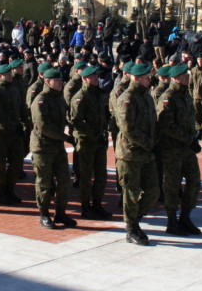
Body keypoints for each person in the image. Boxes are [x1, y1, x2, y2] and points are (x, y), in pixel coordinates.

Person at [156, 62, 202, 236]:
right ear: (176, 78)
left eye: (187, 75)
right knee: (172, 186)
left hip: (187, 149)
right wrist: (189, 139)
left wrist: (193, 136)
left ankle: (185, 216)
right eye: (184, 76)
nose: (188, 78)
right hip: (172, 150)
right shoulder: (169, 96)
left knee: (194, 181)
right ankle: (171, 220)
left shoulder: (186, 95)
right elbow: (166, 125)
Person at [115, 62, 159, 245]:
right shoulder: (128, 98)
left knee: (153, 191)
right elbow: (127, 128)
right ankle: (131, 227)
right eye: (147, 77)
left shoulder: (147, 97)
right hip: (130, 154)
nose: (150, 79)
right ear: (136, 78)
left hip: (146, 153)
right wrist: (149, 143)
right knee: (131, 193)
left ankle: (136, 219)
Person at [30, 67, 76, 229]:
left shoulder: (59, 99)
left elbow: (65, 117)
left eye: (61, 80)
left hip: (56, 147)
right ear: (48, 82)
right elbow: (44, 126)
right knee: (44, 182)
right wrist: (66, 137)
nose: (60, 83)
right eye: (57, 81)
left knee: (64, 180)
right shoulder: (40, 100)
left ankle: (60, 212)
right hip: (42, 147)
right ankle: (44, 214)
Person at [69, 64, 111, 220]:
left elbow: (103, 116)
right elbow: (76, 121)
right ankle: (85, 206)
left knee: (101, 175)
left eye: (96, 76)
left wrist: (103, 133)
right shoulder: (80, 97)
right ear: (84, 78)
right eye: (92, 77)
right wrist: (93, 134)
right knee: (86, 176)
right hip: (86, 141)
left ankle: (97, 204)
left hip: (99, 141)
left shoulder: (98, 95)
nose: (95, 79)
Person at [0, 60, 26, 205]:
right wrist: (11, 125)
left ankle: (10, 189)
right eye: (6, 74)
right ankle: (1, 192)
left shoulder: (14, 89)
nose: (10, 76)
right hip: (1, 134)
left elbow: (21, 108)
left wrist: (23, 125)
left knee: (17, 163)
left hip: (15, 133)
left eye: (10, 73)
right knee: (0, 166)